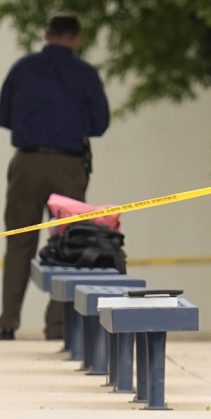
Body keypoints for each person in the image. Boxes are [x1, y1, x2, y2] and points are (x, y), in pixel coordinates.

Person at [0, 12, 110, 341]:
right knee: (67, 242)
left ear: (46, 34)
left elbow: (3, 114)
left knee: (19, 240)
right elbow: (100, 124)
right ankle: (58, 326)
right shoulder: (86, 73)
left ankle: (7, 322)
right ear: (76, 38)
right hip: (68, 166)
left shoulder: (23, 68)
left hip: (27, 162)